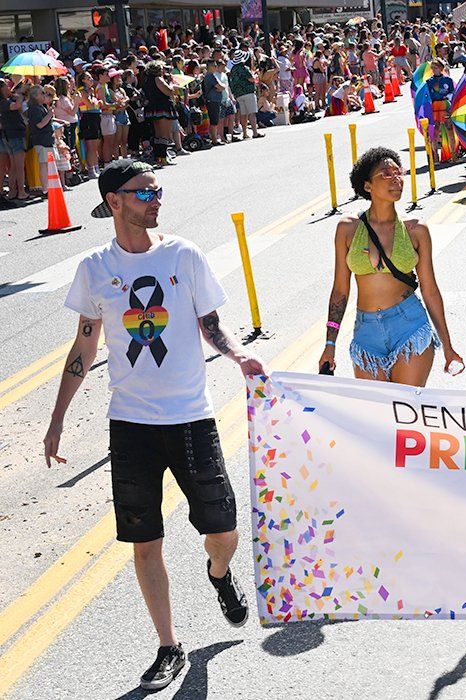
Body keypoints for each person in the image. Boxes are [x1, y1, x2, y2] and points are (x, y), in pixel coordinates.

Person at [44, 159, 264, 691]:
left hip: (191, 417)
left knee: (224, 531)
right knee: (146, 541)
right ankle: (169, 645)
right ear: (113, 202)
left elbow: (210, 323)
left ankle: (218, 574)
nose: (155, 198)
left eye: (157, 190)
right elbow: (84, 345)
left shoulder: (183, 255)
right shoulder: (94, 269)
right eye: (143, 192)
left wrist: (238, 358)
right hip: (131, 424)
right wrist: (57, 419)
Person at [320, 147, 463, 383]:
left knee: (406, 410)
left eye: (399, 173)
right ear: (367, 186)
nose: (396, 179)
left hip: (409, 326)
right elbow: (340, 290)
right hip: (366, 334)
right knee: (378, 416)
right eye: (386, 174)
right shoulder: (347, 229)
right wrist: (330, 343)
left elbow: (430, 289)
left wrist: (448, 346)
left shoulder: (416, 230)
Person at [0, 80, 29, 200]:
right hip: (15, 136)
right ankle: (21, 192)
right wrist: (21, 95)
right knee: (19, 166)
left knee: (13, 166)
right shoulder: (4, 103)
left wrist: (15, 95)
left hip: (8, 136)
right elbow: (17, 106)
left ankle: (13, 191)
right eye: (6, 86)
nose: (9, 88)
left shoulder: (6, 101)